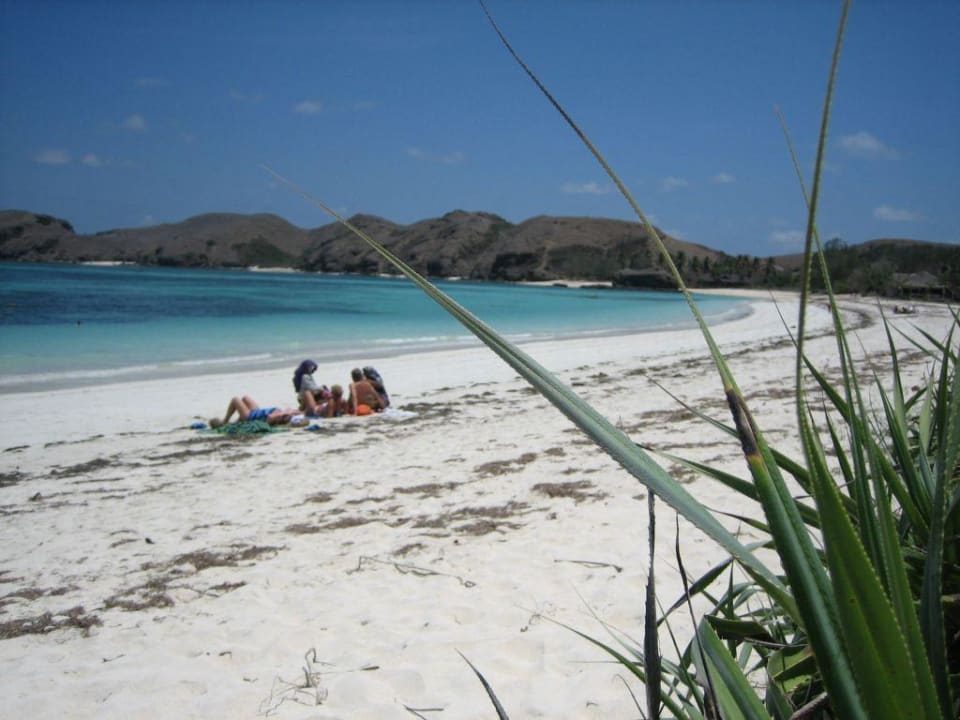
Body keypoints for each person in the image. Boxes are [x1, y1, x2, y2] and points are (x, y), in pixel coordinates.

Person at [209, 396, 305, 428]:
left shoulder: (278, 417)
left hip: (250, 416)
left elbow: (269, 418)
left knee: (235, 400)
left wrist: (283, 414)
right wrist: (293, 412)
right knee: (245, 398)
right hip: (257, 412)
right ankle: (238, 421)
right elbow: (302, 413)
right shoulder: (287, 414)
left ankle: (225, 421)